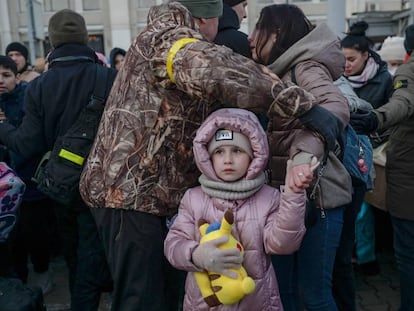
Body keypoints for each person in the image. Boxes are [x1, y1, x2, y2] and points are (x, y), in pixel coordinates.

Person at [79, 0, 323, 309]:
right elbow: (215, 69)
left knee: (159, 295)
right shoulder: (171, 38)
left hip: (139, 196)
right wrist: (301, 104)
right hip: (130, 196)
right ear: (207, 18)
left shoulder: (162, 35)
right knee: (141, 299)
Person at [0, 9, 116, 310]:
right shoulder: (110, 77)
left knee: (74, 254)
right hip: (106, 184)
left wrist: (2, 126)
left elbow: (26, 143)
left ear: (53, 42)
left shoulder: (40, 85)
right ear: (83, 39)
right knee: (97, 252)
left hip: (61, 187)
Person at [248, 4, 351, 311]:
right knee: (284, 292)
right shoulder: (278, 72)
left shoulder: (303, 68)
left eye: (258, 29)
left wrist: (303, 157)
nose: (251, 38)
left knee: (313, 296)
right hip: (290, 202)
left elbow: (335, 108)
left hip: (319, 201)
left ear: (276, 33)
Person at [165, 107, 316, 309]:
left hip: (257, 303)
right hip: (204, 304)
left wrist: (292, 194)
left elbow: (283, 244)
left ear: (254, 156)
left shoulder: (268, 198)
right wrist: (195, 254)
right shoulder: (194, 199)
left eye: (237, 150)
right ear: (207, 158)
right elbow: (173, 244)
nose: (228, 159)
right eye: (219, 152)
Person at [350, 23, 414, 311]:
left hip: (407, 175)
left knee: (408, 253)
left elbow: (403, 102)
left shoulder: (407, 73)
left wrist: (376, 119)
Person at [340, 21, 393, 284]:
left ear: (366, 56)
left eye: (351, 59)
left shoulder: (385, 80)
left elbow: (390, 118)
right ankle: (356, 255)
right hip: (349, 152)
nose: (346, 65)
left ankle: (367, 258)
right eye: (342, 59)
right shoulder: (338, 81)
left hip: (375, 150)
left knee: (363, 209)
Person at [0, 55, 56, 295]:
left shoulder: (28, 99)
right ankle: (16, 279)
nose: (0, 81)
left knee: (34, 231)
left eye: (5, 75)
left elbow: (29, 140)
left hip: (29, 180)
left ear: (17, 76)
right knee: (11, 238)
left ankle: (42, 271)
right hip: (3, 187)